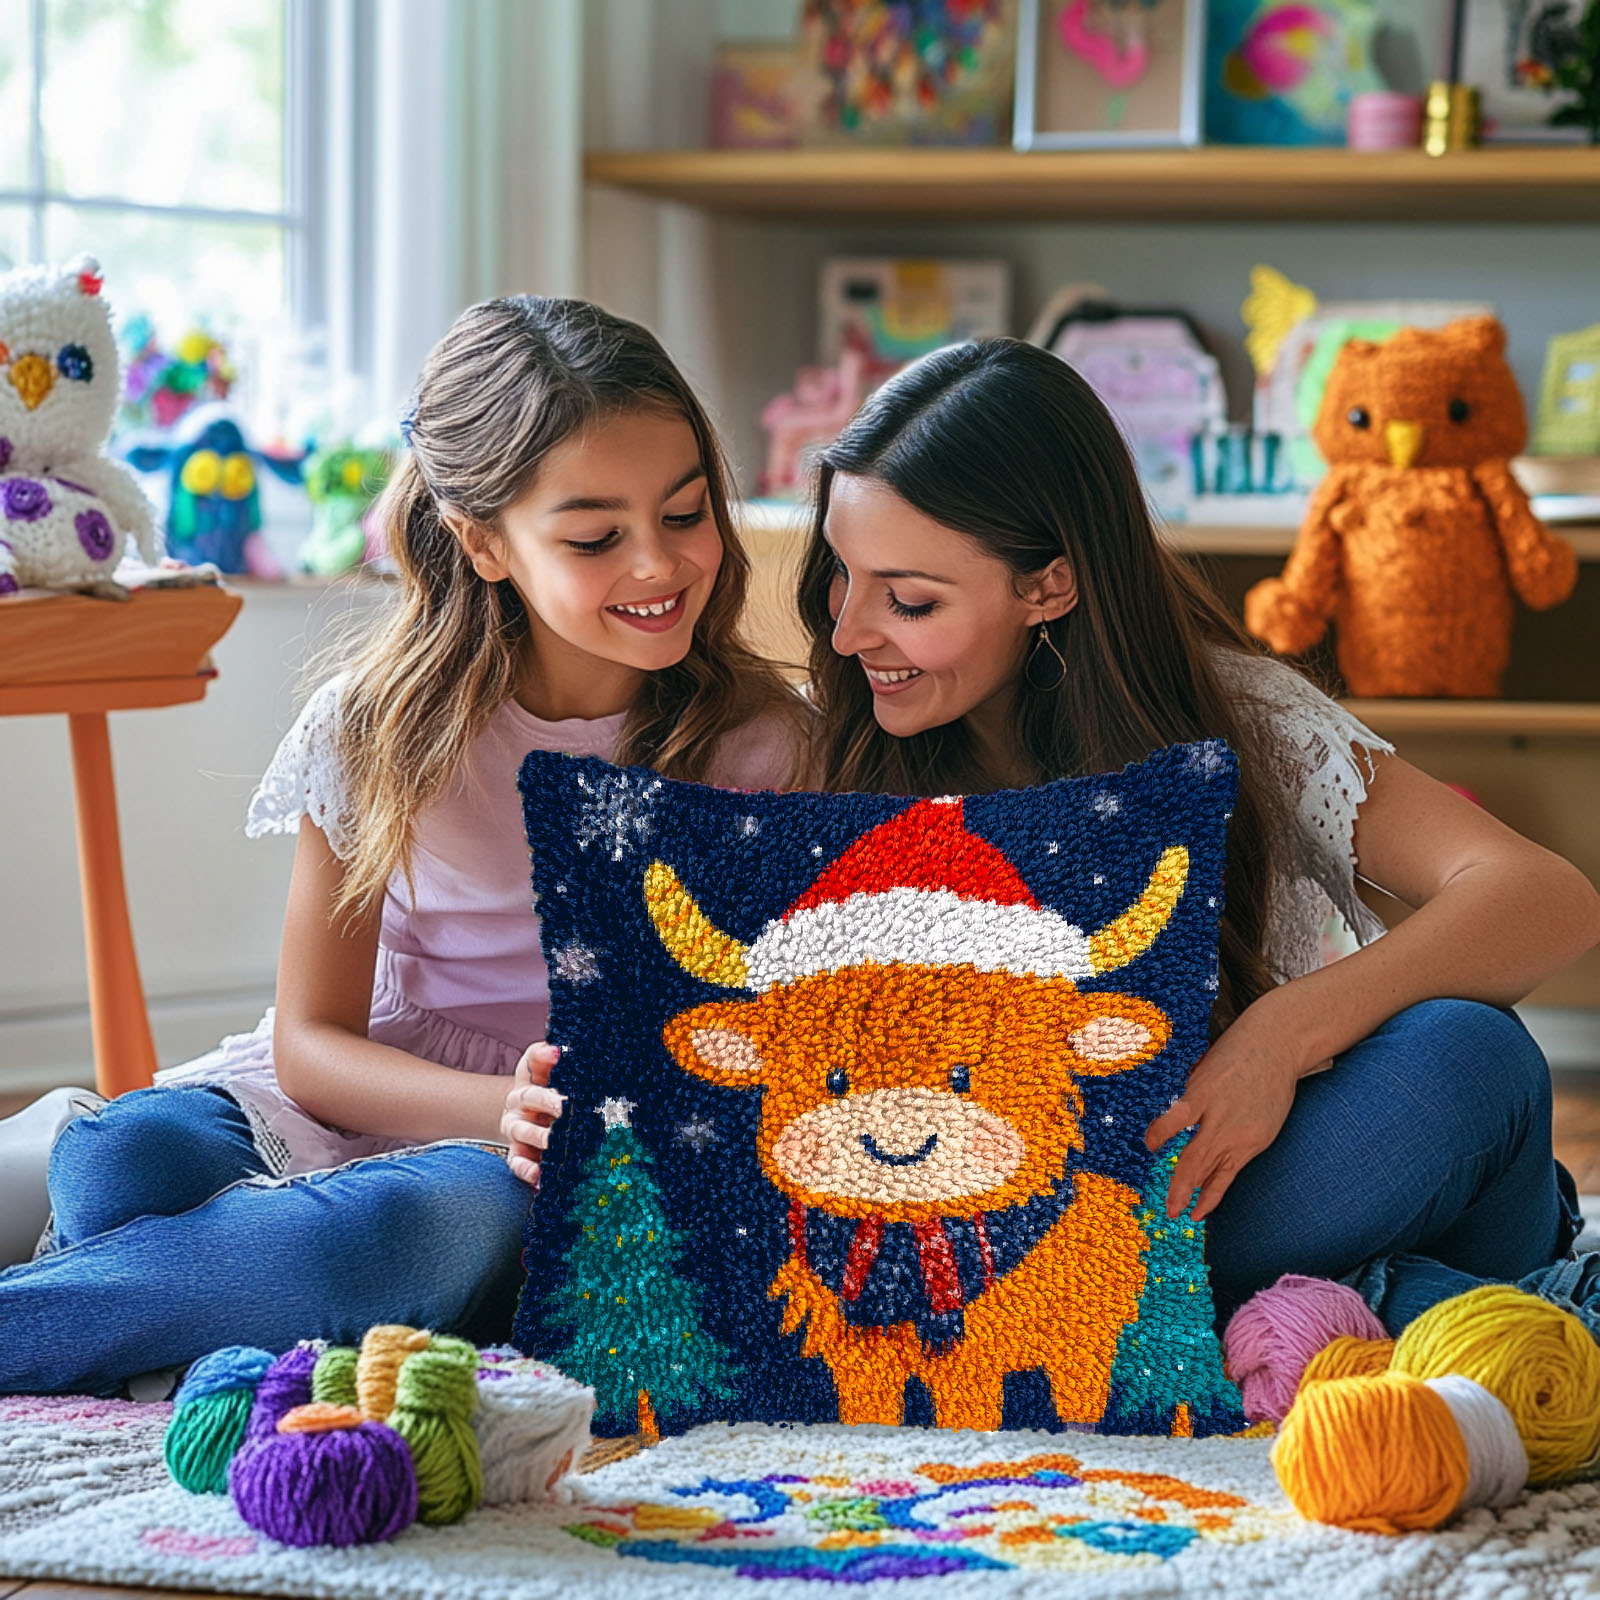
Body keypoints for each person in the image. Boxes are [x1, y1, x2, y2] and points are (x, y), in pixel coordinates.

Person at [0, 297, 810, 1395]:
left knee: (413, 1233)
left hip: (536, 1165)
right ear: (482, 541)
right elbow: (311, 1044)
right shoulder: (374, 727)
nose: (659, 564)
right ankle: (226, 1306)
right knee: (122, 1158)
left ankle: (167, 1302)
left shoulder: (767, 746)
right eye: (595, 537)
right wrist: (494, 1103)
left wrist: (542, 1125)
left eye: (685, 512)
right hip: (374, 1095)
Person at [796, 337, 1600, 1332]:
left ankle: (1376, 1316)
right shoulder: (823, 748)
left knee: (1471, 1055)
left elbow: (1545, 899)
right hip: (996, 1229)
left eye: (909, 600)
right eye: (840, 572)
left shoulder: (1239, 717)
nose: (846, 632)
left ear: (1049, 587)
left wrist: (1279, 1035)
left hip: (1213, 1186)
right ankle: (1462, 1314)